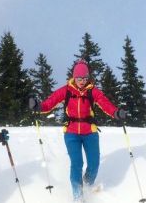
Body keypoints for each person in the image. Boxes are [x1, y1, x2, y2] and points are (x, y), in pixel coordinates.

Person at [29, 59, 127, 202]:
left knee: (94, 164)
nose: (82, 81)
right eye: (79, 78)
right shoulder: (66, 90)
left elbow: (105, 104)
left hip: (90, 132)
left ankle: (86, 186)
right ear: (74, 77)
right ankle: (78, 196)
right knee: (77, 163)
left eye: (85, 78)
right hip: (71, 133)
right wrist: (38, 106)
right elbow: (50, 103)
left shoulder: (92, 91)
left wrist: (116, 113)